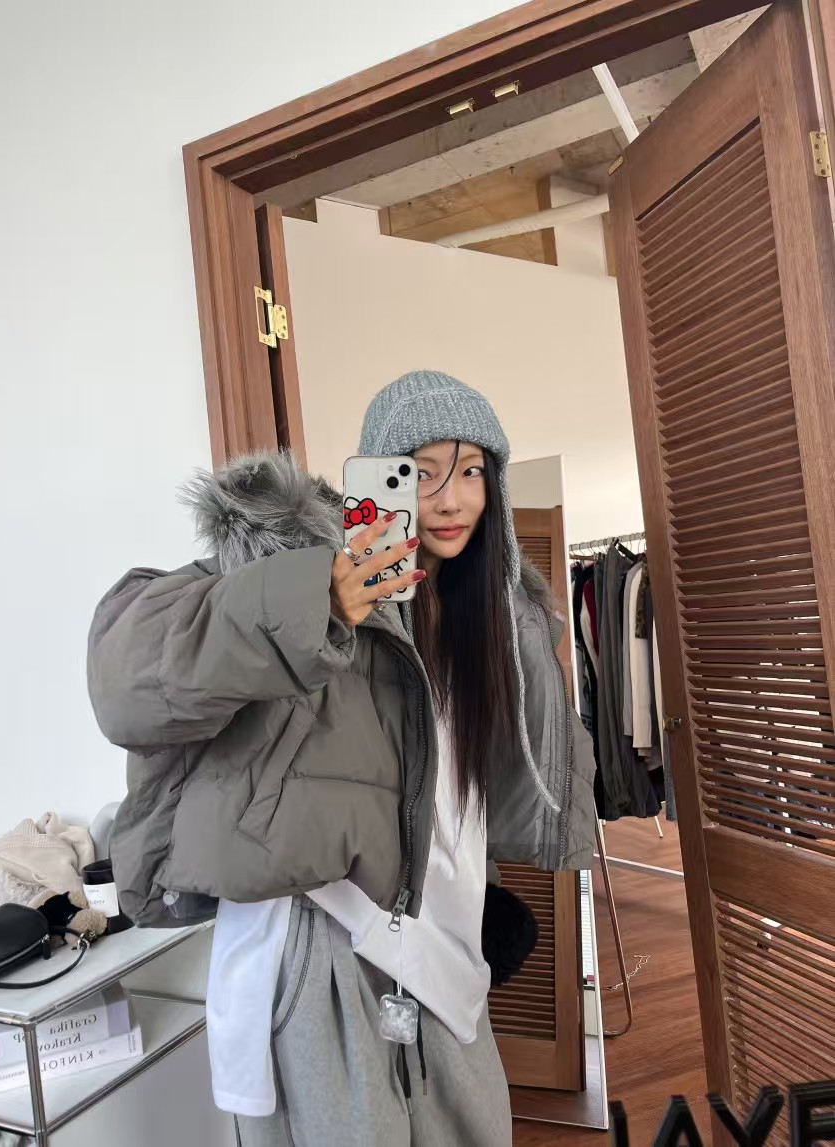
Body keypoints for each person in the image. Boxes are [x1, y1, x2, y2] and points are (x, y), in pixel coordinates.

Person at [88, 370, 596, 1147]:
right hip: (326, 943)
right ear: (377, 481)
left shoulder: (494, 616)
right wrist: (313, 601)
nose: (451, 498)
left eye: (471, 471)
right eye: (421, 473)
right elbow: (124, 674)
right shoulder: (298, 565)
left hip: (446, 944)